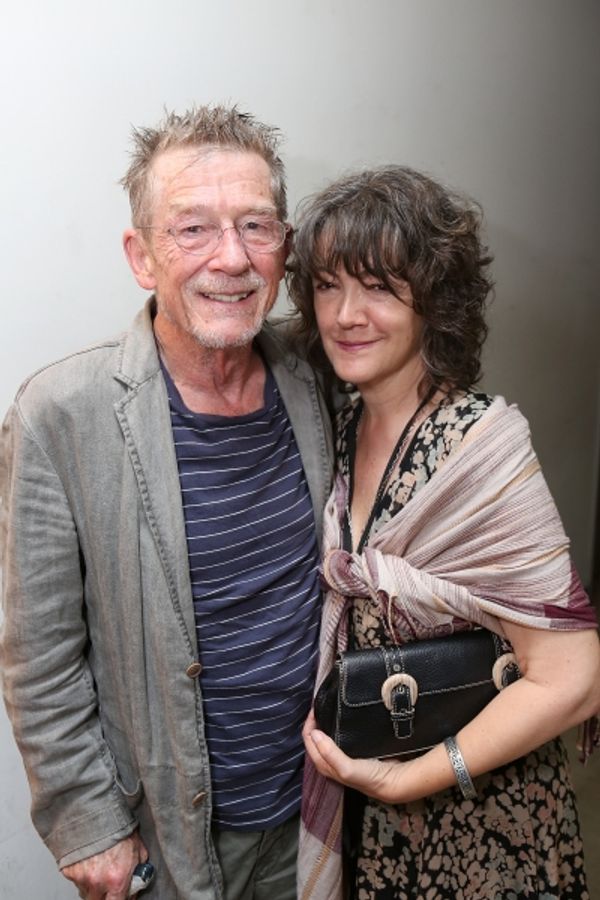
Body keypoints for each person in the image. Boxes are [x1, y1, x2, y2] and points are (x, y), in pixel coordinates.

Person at [0, 106, 335, 900]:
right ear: (141, 255)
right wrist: (88, 825)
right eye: (192, 229)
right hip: (173, 834)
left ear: (284, 250)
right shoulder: (59, 414)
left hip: (320, 807)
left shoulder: (316, 379)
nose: (232, 258)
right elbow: (38, 655)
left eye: (256, 225)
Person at [287, 165, 600, 900]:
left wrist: (411, 780)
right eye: (328, 285)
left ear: (435, 301)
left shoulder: (479, 443)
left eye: (380, 288)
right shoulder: (334, 423)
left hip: (483, 826)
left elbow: (574, 680)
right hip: (370, 810)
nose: (345, 314)